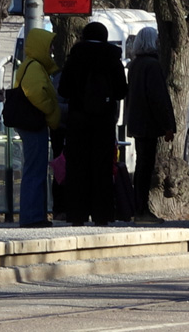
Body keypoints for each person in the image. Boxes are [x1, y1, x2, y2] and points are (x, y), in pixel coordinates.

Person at [58, 21, 127, 226]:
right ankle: (102, 214)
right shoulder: (112, 58)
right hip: (104, 121)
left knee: (78, 166)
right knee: (102, 167)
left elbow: (63, 90)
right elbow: (121, 91)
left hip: (78, 120)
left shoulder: (75, 57)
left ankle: (77, 214)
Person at [124, 27, 175, 223]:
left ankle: (139, 208)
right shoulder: (152, 65)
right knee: (146, 167)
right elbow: (158, 98)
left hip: (137, 122)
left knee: (141, 166)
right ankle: (142, 210)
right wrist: (167, 125)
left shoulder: (135, 65)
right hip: (148, 124)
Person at [12, 28, 61, 228]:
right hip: (33, 123)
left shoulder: (31, 65)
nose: (51, 50)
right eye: (49, 45)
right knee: (35, 169)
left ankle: (34, 214)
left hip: (30, 123)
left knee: (35, 168)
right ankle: (32, 216)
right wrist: (50, 108)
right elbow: (35, 93)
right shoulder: (34, 67)